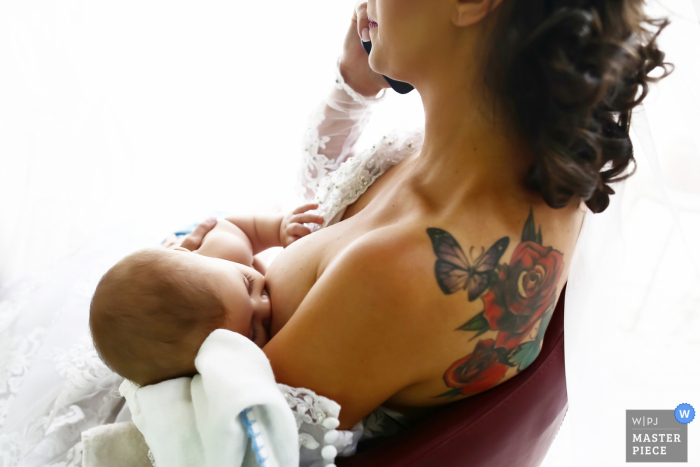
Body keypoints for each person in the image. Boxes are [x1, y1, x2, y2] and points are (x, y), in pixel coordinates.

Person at [0, 0, 670, 464]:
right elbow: (320, 204)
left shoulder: (402, 274)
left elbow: (221, 439)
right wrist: (357, 86)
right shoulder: (482, 153)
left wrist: (190, 286)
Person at [89, 204, 323, 387]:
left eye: (248, 283)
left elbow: (240, 228)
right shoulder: (200, 355)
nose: (265, 305)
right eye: (253, 332)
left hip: (202, 239)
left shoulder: (225, 253)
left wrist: (278, 228)